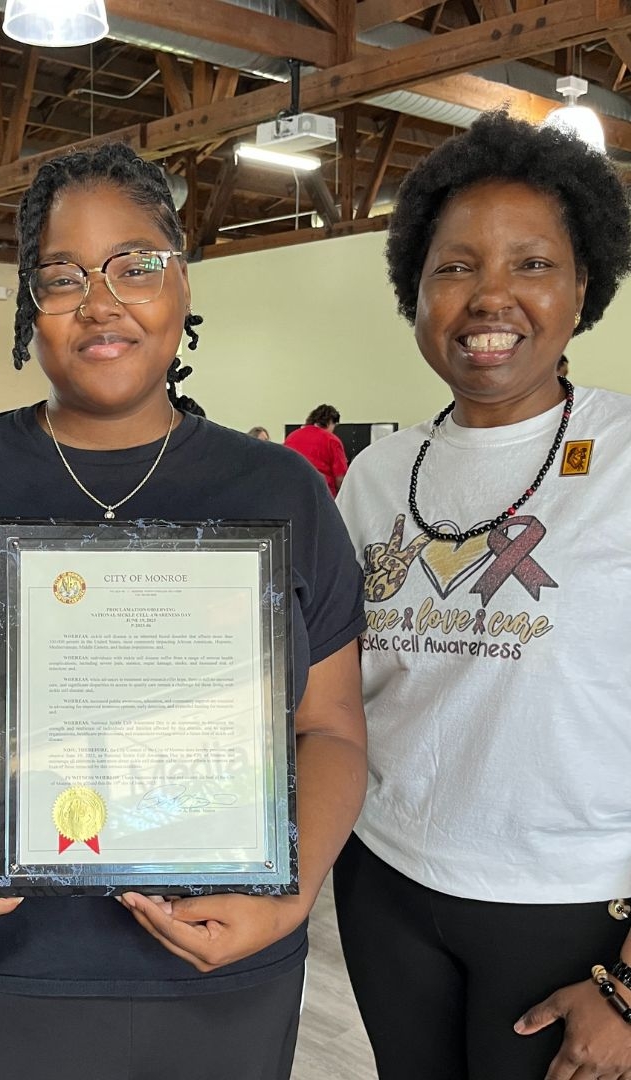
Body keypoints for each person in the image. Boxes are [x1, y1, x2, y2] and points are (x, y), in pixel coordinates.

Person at [0, 142, 367, 1080]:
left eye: (135, 266)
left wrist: (293, 895)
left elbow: (333, 727)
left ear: (182, 285)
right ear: (30, 305)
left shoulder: (284, 490)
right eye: (62, 277)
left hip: (221, 961)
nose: (101, 302)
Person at [333, 110, 631, 1080]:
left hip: (571, 906)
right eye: (454, 267)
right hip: (386, 883)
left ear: (586, 283)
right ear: (414, 293)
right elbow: (332, 683)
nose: (489, 297)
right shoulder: (378, 476)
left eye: (532, 264)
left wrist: (629, 984)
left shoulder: (627, 457)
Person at [283, 404, 349, 496]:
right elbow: (340, 479)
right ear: (330, 422)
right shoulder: (332, 441)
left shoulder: (291, 437)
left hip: (293, 494)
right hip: (322, 496)